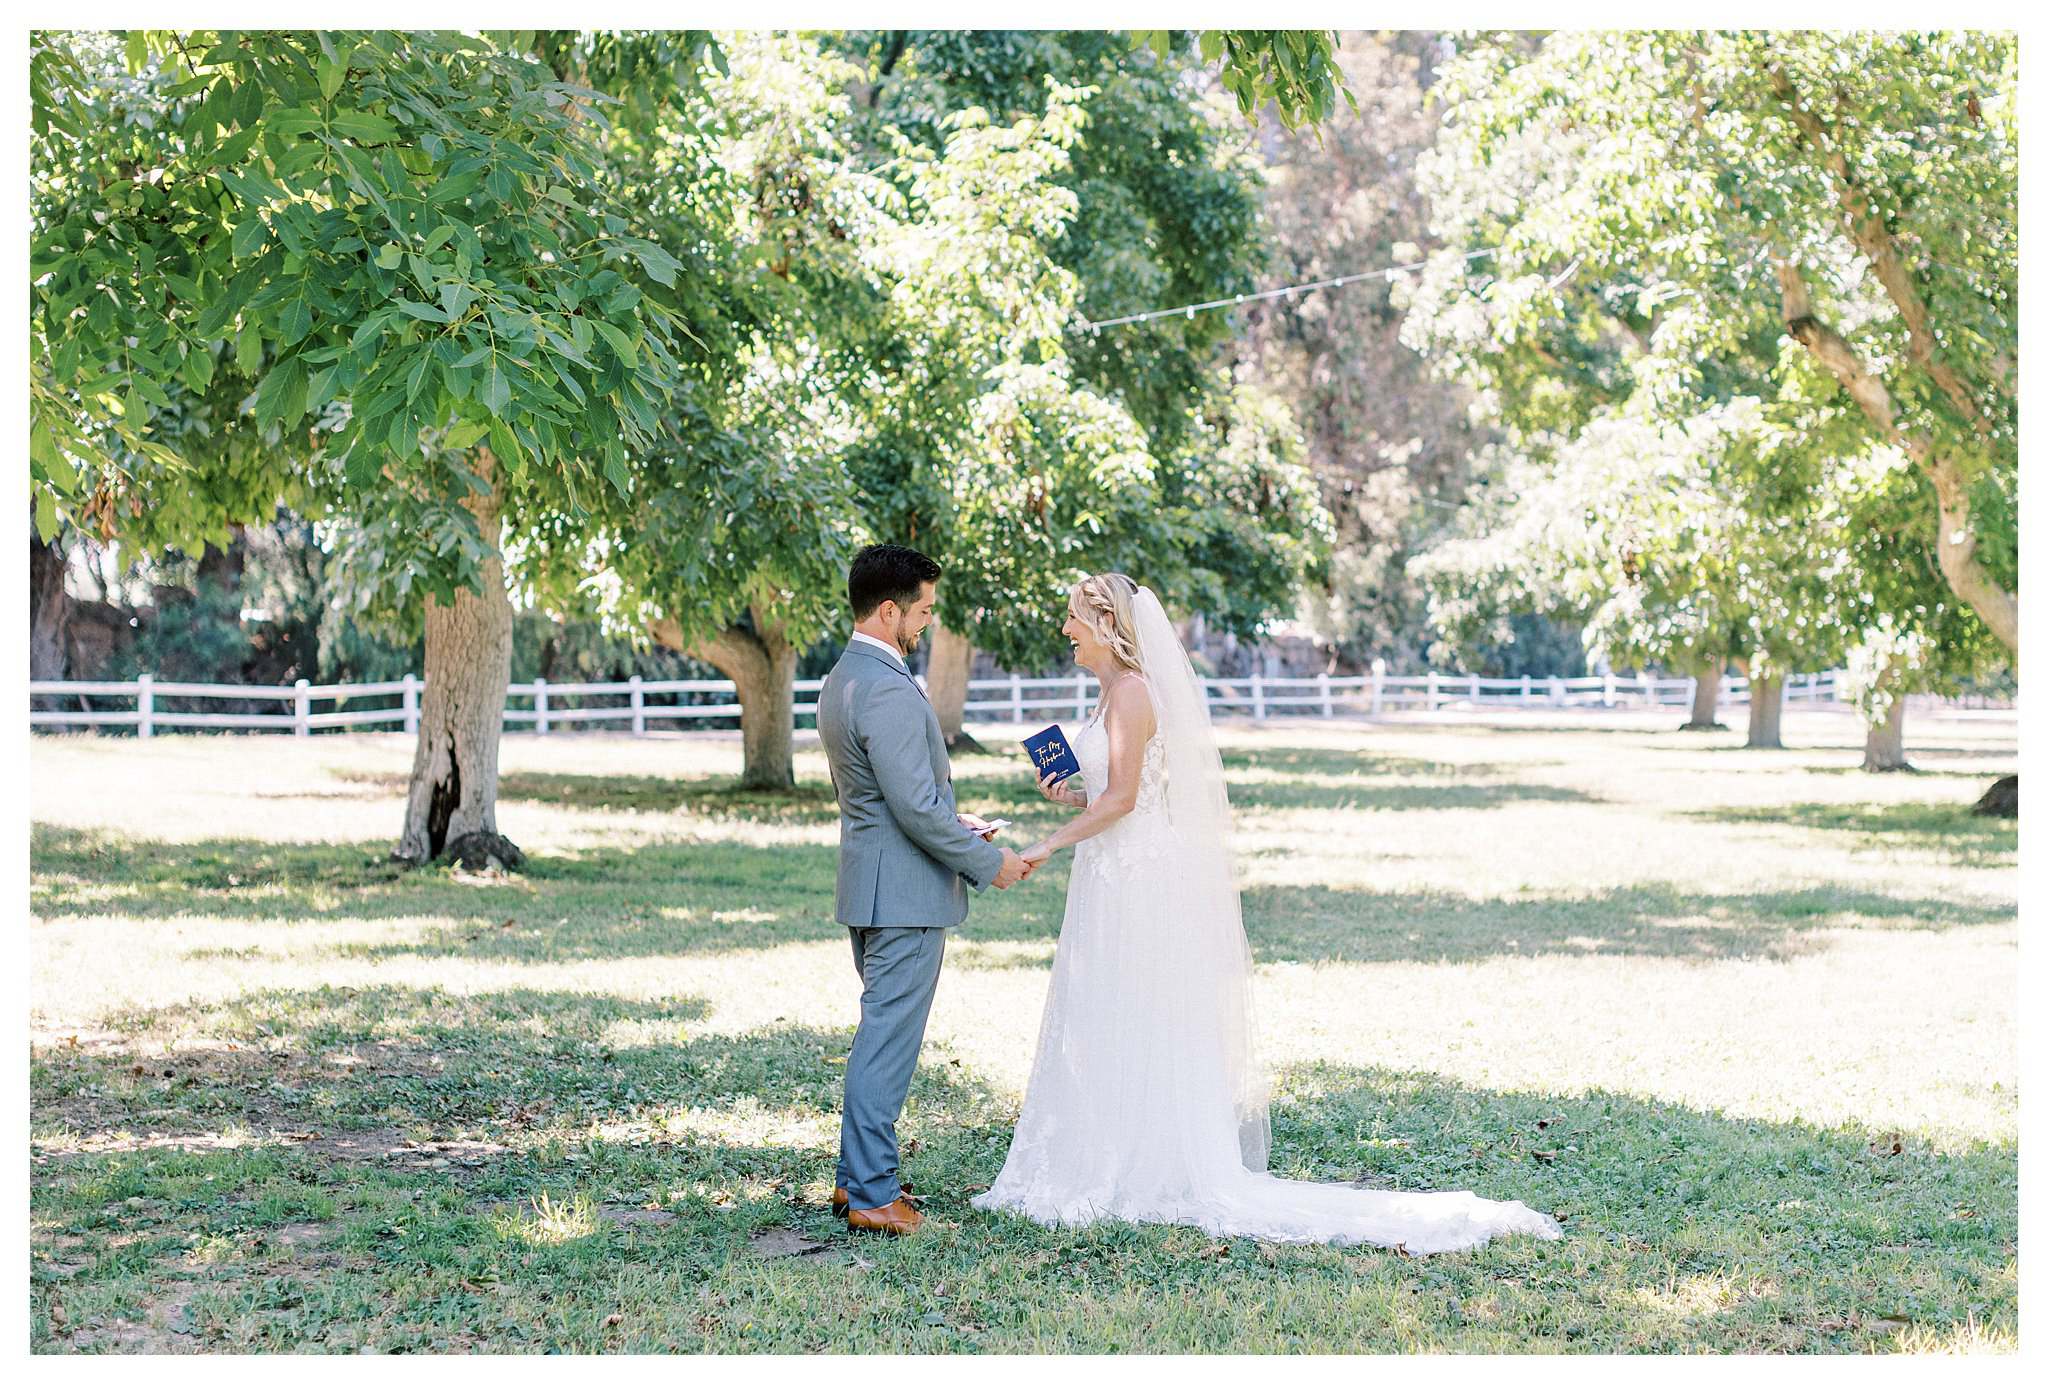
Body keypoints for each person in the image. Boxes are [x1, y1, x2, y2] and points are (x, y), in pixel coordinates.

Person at [971, 573, 1562, 1254]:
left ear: (1105, 621)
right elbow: (1111, 796)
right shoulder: (1109, 692)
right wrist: (1068, 798)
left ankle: (1140, 1161)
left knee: (1136, 1005)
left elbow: (1129, 800)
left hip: (1136, 875)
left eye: (1073, 618)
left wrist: (1045, 844)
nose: (1066, 631)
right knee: (1113, 1006)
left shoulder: (1133, 692)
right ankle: (1114, 1144)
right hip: (1111, 869)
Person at [817, 544, 1031, 1236]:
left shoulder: (844, 678)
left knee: (880, 1036)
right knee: (887, 1044)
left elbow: (886, 797)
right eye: (924, 611)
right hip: (903, 896)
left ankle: (858, 1182)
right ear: (889, 611)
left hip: (873, 884)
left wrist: (954, 819)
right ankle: (874, 1192)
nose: (928, 624)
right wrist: (981, 860)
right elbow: (909, 807)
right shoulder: (883, 684)